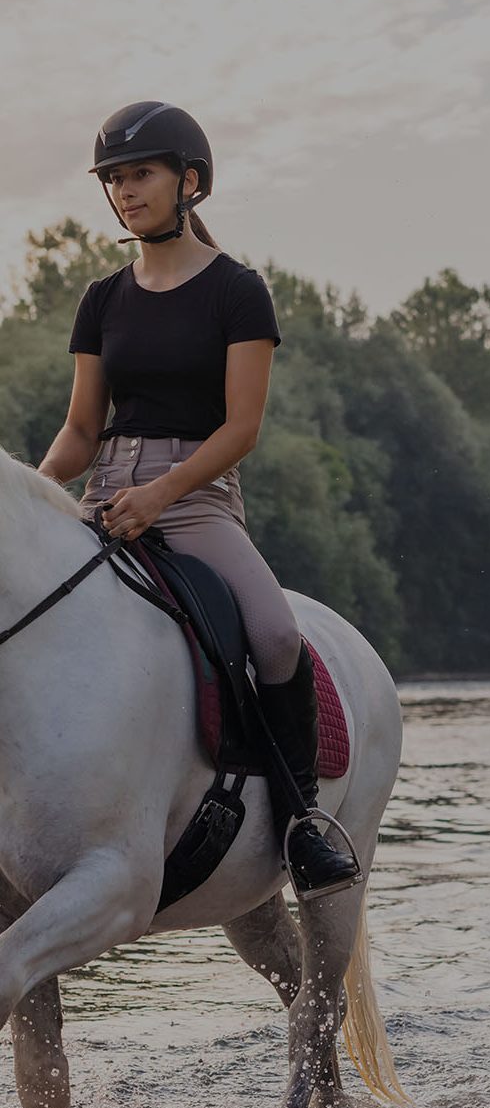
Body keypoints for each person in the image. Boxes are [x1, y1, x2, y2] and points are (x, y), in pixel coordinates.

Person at [38, 100, 358, 896]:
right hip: (106, 494)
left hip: (196, 499)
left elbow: (242, 427)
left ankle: (301, 820)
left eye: (139, 174)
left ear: (191, 182)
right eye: (113, 179)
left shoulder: (238, 293)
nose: (124, 191)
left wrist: (161, 494)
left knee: (278, 636)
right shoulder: (101, 298)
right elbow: (81, 430)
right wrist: (35, 499)